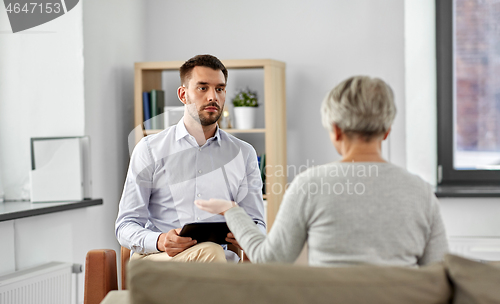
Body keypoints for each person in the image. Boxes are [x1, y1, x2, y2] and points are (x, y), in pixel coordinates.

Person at [196, 75, 448, 267]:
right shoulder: (421, 191)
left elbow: (269, 259)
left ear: (336, 130)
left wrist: (232, 210)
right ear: (386, 131)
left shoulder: (309, 185)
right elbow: (439, 272)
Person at [116, 54, 265, 263]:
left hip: (217, 261)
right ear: (183, 94)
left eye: (220, 89)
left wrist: (247, 234)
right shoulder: (150, 149)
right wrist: (160, 240)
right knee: (213, 255)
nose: (213, 96)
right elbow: (125, 225)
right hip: (160, 260)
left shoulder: (244, 153)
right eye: (203, 88)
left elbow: (257, 222)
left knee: (215, 255)